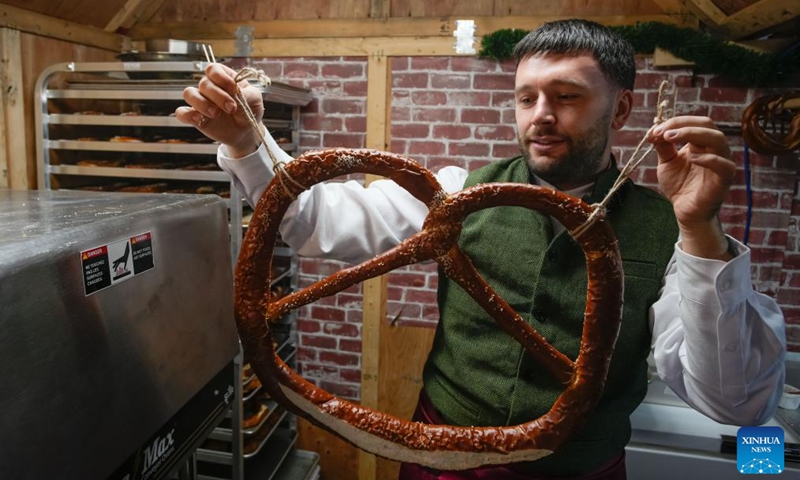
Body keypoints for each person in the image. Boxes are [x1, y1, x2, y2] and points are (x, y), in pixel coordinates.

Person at [178, 19, 786, 480]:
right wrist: (245, 139)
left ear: (621, 108)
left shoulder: (672, 231)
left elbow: (735, 398)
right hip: (440, 457)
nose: (540, 117)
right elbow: (313, 221)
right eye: (526, 98)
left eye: (567, 96)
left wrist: (701, 229)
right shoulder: (456, 193)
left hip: (579, 469)